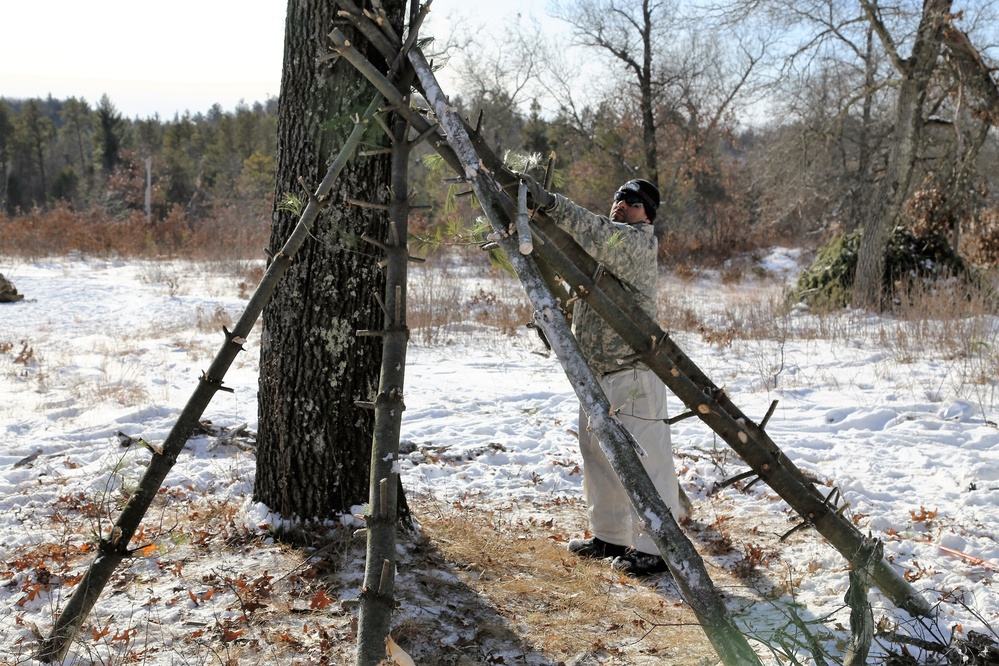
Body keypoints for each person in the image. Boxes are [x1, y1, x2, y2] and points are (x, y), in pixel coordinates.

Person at [521, 176, 685, 576]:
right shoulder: (607, 251)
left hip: (633, 374)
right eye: (617, 197)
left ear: (646, 214)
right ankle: (610, 534)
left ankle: (656, 547)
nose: (620, 204)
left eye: (631, 201)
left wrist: (552, 204)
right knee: (597, 456)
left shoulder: (636, 244)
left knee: (650, 463)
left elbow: (592, 230)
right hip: (595, 374)